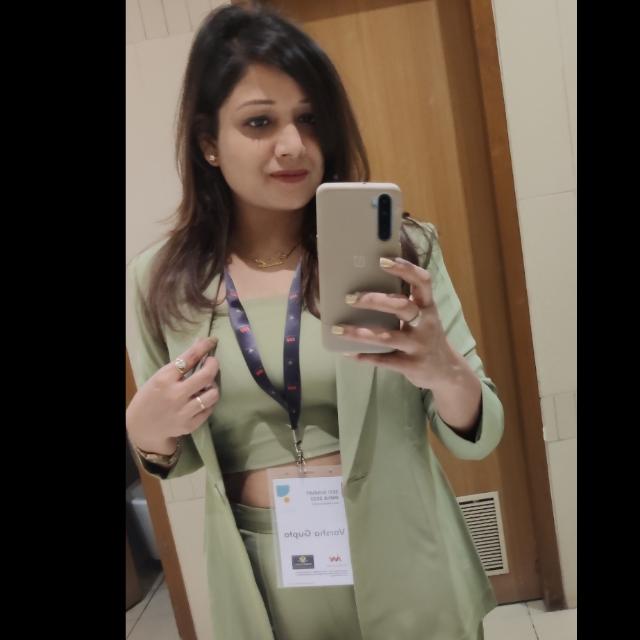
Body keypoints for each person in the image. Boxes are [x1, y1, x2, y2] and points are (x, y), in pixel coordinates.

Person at [126, 4, 504, 640]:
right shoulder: (162, 281)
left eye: (309, 119)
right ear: (208, 142)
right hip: (266, 580)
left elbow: (479, 435)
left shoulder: (402, 252)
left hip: (408, 557)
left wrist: (445, 371)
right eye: (259, 122)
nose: (293, 145)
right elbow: (178, 460)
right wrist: (145, 434)